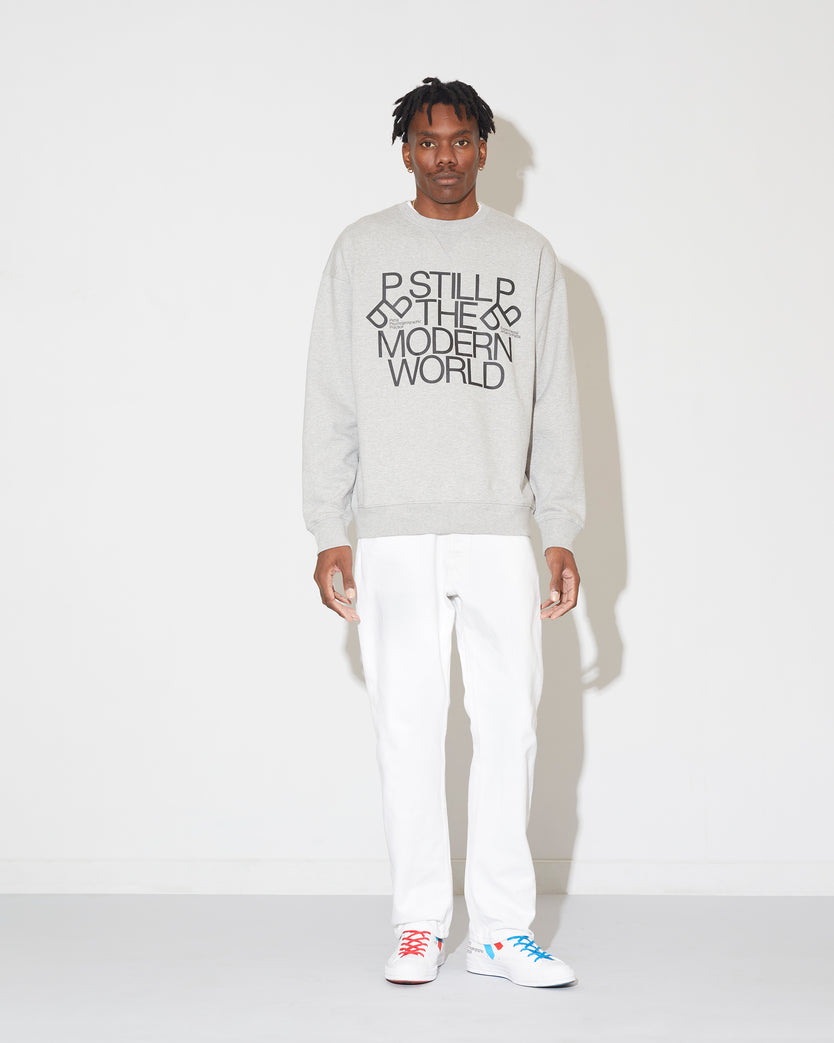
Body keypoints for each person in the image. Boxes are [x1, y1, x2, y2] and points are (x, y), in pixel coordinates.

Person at [301, 76, 585, 989]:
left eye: (461, 140)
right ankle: (420, 923)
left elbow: (555, 403)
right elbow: (331, 397)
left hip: (499, 528)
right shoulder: (361, 249)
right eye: (429, 142)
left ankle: (501, 930)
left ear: (484, 148)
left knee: (509, 728)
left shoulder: (527, 256)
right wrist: (328, 526)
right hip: (391, 530)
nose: (446, 158)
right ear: (406, 151)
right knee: (406, 727)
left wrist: (560, 526)